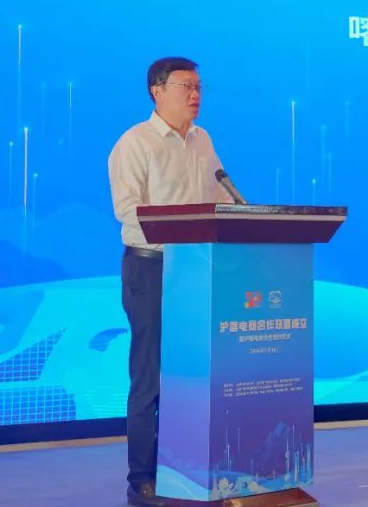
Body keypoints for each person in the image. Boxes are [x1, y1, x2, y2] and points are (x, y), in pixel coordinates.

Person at [107, 57, 232, 507]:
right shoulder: (134, 143)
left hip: (196, 271)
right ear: (157, 91)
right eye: (186, 86)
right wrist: (181, 235)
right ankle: (141, 478)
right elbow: (128, 211)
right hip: (152, 269)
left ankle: (188, 468)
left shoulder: (203, 140)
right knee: (150, 378)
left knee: (193, 375)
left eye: (199, 87)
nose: (196, 95)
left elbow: (221, 196)